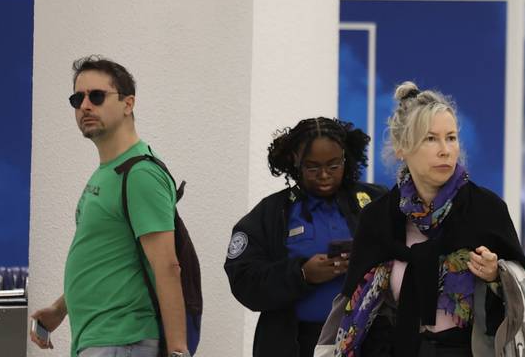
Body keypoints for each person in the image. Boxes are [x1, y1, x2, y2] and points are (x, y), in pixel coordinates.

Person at [332, 82, 525, 356]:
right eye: (431, 139)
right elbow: (354, 302)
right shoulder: (378, 218)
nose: (445, 150)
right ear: (401, 147)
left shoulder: (485, 210)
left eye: (451, 137)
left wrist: (496, 274)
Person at [30, 56, 190, 357]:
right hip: (102, 340)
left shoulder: (140, 173)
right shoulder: (110, 171)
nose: (85, 106)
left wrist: (178, 351)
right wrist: (59, 309)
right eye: (78, 98)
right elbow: (107, 257)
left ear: (128, 104)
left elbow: (167, 267)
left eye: (97, 96)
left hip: (123, 341)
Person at [223, 117, 387, 356]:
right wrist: (302, 274)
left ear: (346, 158)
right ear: (295, 163)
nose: (323, 175)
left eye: (333, 165)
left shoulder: (376, 202)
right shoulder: (271, 213)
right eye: (312, 167)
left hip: (369, 341)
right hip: (297, 343)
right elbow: (243, 279)